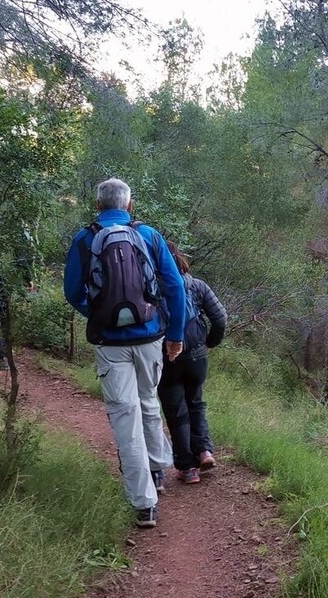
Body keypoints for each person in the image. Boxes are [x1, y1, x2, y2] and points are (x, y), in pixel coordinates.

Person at [63, 178, 187, 529]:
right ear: (129, 205)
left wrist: (100, 315)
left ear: (98, 205)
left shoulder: (85, 238)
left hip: (109, 343)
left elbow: (73, 292)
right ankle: (158, 469)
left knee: (125, 415)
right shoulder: (149, 235)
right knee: (148, 400)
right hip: (150, 337)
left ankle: (144, 503)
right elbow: (175, 286)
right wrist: (175, 335)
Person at [157, 240, 228, 485]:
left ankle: (188, 469)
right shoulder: (197, 286)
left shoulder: (155, 287)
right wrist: (210, 343)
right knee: (196, 402)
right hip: (197, 356)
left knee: (177, 413)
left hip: (167, 358)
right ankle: (205, 451)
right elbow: (220, 318)